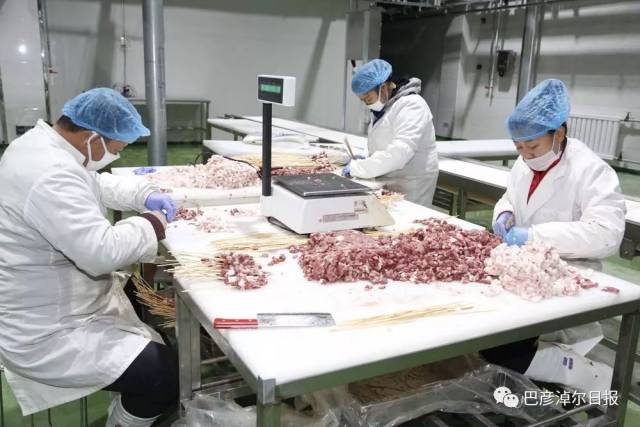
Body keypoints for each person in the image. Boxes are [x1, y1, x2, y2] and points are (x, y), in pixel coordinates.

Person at [0, 88, 178, 426]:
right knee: (164, 375)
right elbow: (101, 253)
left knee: (138, 297)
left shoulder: (42, 148)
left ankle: (137, 377)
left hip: (57, 299)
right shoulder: (50, 173)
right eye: (116, 149)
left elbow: (93, 185)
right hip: (48, 329)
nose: (116, 155)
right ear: (92, 138)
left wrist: (144, 194)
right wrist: (152, 224)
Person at [482, 79, 626, 394]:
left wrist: (534, 235)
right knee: (492, 338)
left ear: (558, 133)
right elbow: (510, 197)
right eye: (519, 147)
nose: (526, 155)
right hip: (524, 272)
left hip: (568, 276)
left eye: (533, 146)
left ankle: (591, 378)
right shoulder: (524, 164)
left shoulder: (591, 170)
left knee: (509, 351)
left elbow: (607, 233)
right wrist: (504, 213)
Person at [343, 59, 439, 206]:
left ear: (383, 88)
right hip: (390, 178)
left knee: (408, 218)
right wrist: (368, 158)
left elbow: (400, 151)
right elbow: (384, 141)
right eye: (364, 101)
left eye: (368, 99)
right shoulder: (386, 106)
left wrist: (360, 168)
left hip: (411, 183)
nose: (367, 104)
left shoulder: (412, 105)